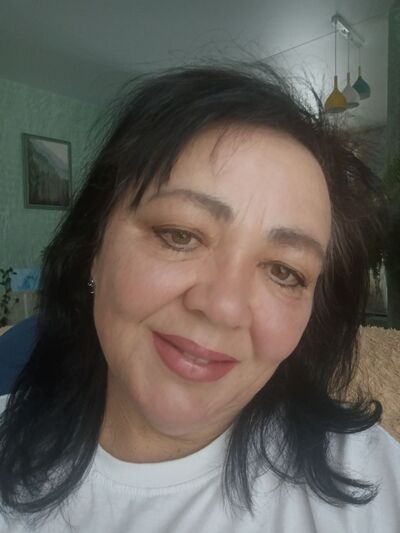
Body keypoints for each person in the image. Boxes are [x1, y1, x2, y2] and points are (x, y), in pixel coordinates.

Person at [0, 63, 399, 532]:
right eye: (180, 234)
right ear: (94, 246)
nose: (223, 307)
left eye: (284, 271)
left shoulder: (373, 486)